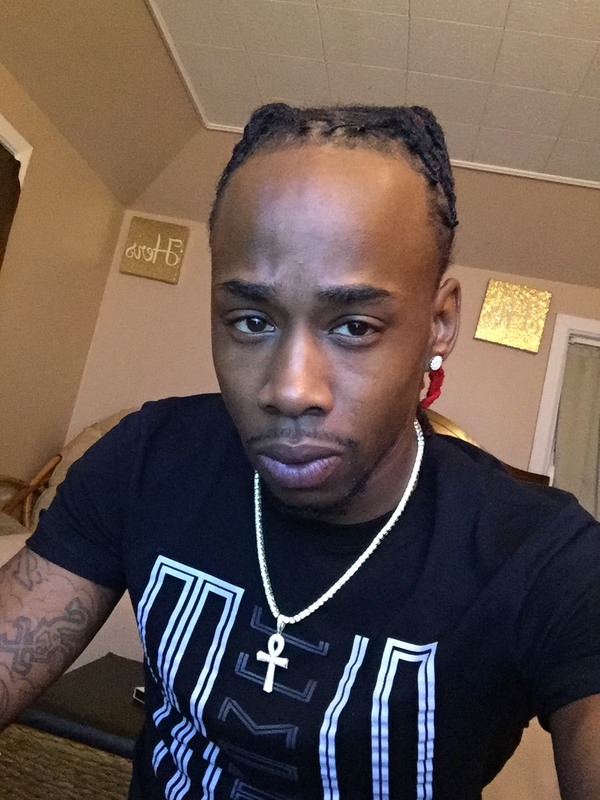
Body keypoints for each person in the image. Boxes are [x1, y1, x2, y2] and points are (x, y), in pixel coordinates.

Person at [0, 103, 599, 799]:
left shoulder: (545, 558)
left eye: (354, 326)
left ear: (439, 323)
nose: (289, 390)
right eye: (252, 320)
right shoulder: (144, 460)